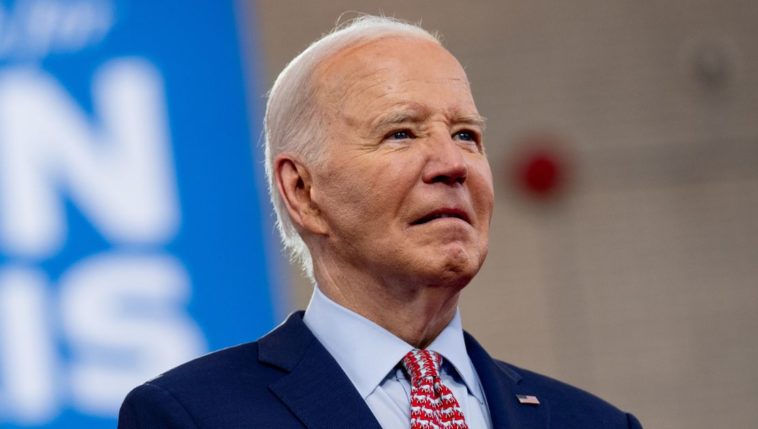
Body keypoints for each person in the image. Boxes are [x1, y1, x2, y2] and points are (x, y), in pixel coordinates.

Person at [118, 15, 642, 429]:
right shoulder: (190, 415)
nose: (453, 164)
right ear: (303, 191)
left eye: (465, 135)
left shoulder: (596, 422)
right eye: (401, 134)